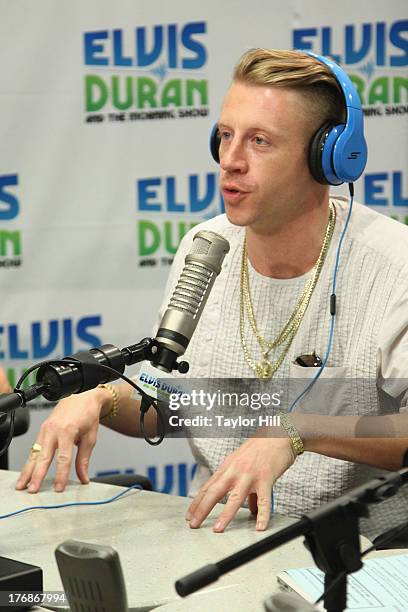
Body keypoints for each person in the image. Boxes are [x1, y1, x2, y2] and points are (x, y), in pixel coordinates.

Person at [16, 49, 408, 540]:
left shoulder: (393, 266)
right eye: (225, 136)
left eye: (259, 141)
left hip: (359, 552)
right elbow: (182, 402)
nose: (230, 161)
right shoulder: (206, 247)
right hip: (216, 539)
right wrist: (100, 400)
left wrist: (298, 431)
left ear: (329, 156)